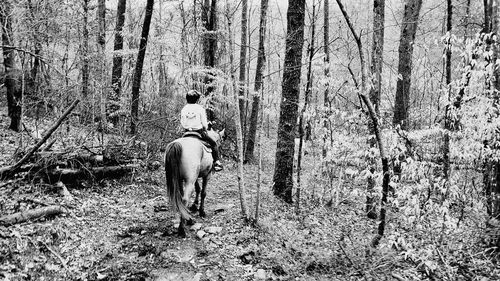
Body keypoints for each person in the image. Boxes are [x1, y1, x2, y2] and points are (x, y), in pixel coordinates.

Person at [180, 90, 223, 171]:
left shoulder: (184, 109)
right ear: (197, 99)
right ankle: (217, 162)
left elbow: (182, 123)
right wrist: (206, 126)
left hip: (186, 132)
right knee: (213, 143)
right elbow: (204, 124)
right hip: (198, 132)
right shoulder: (200, 108)